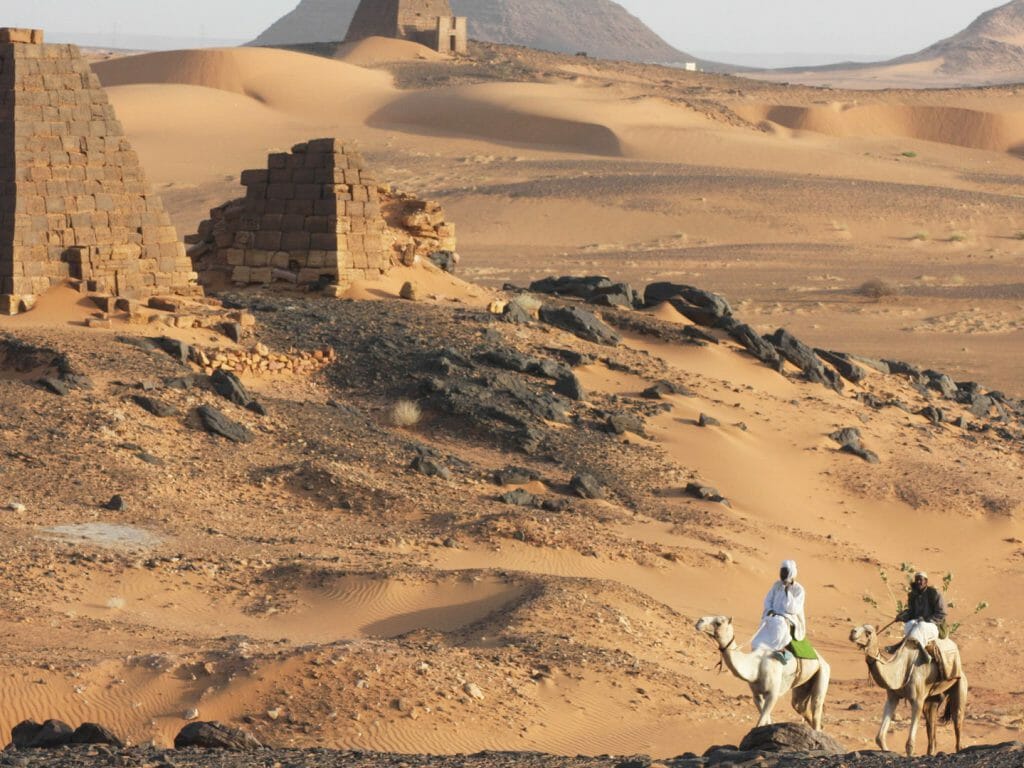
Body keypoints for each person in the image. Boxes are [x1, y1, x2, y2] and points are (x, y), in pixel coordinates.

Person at [752, 559, 806, 652]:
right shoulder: (776, 585)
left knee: (779, 623)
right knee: (765, 624)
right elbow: (768, 599)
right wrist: (769, 610)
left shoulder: (799, 589)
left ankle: (779, 649)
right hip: (773, 615)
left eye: (785, 572)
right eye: (782, 571)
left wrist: (787, 592)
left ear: (791, 572)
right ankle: (758, 648)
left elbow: (794, 609)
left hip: (789, 618)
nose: (783, 574)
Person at [898, 571, 947, 647]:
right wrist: (902, 617)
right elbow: (911, 613)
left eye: (921, 580)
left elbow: (941, 613)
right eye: (917, 580)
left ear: (926, 581)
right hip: (917, 624)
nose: (918, 582)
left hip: (934, 625)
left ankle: (923, 652)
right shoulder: (913, 595)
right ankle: (901, 646)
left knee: (922, 625)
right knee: (908, 625)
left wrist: (926, 619)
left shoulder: (934, 593)